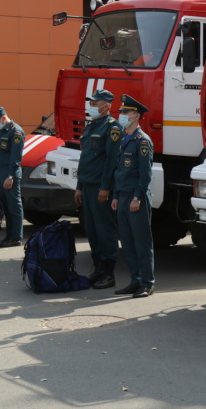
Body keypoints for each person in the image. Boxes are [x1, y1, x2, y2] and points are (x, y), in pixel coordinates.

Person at [75, 89, 121, 289]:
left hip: (100, 188)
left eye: (95, 104)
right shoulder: (92, 125)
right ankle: (98, 269)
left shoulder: (112, 128)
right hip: (87, 184)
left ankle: (109, 274)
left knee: (105, 230)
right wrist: (79, 187)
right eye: (91, 103)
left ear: (106, 106)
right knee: (92, 230)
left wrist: (106, 188)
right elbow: (85, 158)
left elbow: (111, 162)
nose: (91, 107)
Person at [111, 94, 155, 298]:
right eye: (121, 112)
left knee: (141, 241)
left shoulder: (142, 141)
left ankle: (147, 283)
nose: (121, 115)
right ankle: (135, 280)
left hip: (136, 197)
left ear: (136, 116)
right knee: (127, 241)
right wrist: (116, 196)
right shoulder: (124, 139)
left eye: (125, 112)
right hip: (123, 196)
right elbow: (120, 171)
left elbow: (145, 174)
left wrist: (137, 197)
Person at [0, 107, 25, 247]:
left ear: (3, 118)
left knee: (14, 206)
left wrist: (11, 176)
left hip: (10, 173)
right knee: (6, 206)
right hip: (0, 172)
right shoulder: (2, 131)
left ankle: (16, 237)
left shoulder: (16, 132)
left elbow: (16, 157)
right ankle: (9, 236)